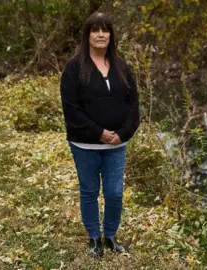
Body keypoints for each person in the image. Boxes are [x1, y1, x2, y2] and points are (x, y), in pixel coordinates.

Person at [59, 12, 140, 258]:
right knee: (89, 191)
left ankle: (111, 236)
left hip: (117, 145)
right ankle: (94, 237)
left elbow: (133, 106)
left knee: (115, 193)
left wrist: (122, 133)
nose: (101, 34)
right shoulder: (74, 68)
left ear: (111, 35)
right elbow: (71, 109)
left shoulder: (122, 67)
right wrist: (100, 133)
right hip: (85, 145)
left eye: (105, 30)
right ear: (87, 35)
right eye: (95, 30)